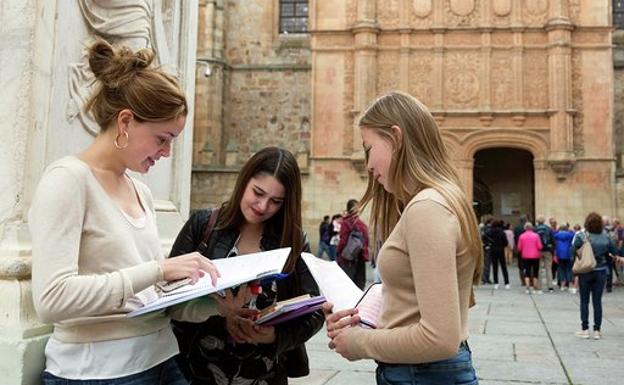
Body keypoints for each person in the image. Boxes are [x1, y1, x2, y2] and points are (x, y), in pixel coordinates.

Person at [29, 39, 220, 385]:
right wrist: (159, 269)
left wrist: (219, 304)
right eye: (163, 138)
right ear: (126, 121)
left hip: (162, 358)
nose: (166, 153)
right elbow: (51, 300)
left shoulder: (141, 192)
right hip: (98, 373)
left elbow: (144, 301)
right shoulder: (67, 181)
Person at [323, 91, 482, 384]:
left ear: (396, 138)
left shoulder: (427, 208)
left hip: (422, 374)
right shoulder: (439, 200)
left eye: (368, 148)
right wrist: (364, 319)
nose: (368, 165)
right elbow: (418, 306)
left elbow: (439, 338)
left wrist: (358, 343)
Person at [168, 147, 324, 385]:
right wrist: (221, 316)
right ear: (244, 181)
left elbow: (315, 310)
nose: (262, 206)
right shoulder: (203, 226)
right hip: (198, 371)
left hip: (264, 374)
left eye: (275, 201)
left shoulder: (291, 240)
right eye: (257, 193)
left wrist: (274, 336)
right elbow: (167, 300)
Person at [571, 213, 619, 340]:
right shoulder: (605, 237)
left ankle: (585, 329)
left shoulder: (581, 236)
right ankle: (597, 330)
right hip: (601, 271)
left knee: (584, 301)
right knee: (597, 302)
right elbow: (613, 253)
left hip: (586, 271)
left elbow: (573, 251)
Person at [337, 199, 370, 289]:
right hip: (360, 258)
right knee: (359, 287)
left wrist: (339, 254)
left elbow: (343, 241)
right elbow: (366, 241)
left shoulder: (346, 223)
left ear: (348, 210)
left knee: (346, 286)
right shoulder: (362, 224)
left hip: (348, 260)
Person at [517, 222, 543, 294]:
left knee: (527, 271)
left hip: (525, 256)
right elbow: (540, 246)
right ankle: (535, 287)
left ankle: (527, 287)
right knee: (535, 272)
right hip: (535, 256)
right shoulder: (536, 236)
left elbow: (519, 248)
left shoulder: (521, 236)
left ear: (525, 228)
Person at [535, 215, 555, 292]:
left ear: (537, 221)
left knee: (539, 269)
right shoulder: (548, 229)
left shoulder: (535, 229)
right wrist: (552, 249)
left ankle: (539, 286)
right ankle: (550, 286)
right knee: (548, 268)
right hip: (547, 250)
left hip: (538, 250)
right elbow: (553, 240)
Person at [489, 220, 510, 290]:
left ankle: (496, 283)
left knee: (495, 267)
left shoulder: (490, 231)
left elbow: (484, 237)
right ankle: (506, 283)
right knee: (503, 266)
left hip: (493, 249)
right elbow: (506, 242)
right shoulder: (502, 232)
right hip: (500, 250)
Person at [553, 224, 574, 291]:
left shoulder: (556, 235)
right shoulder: (570, 235)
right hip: (568, 253)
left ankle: (562, 285)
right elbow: (574, 235)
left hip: (559, 253)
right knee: (569, 269)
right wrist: (571, 231)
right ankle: (570, 285)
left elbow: (553, 234)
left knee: (561, 269)